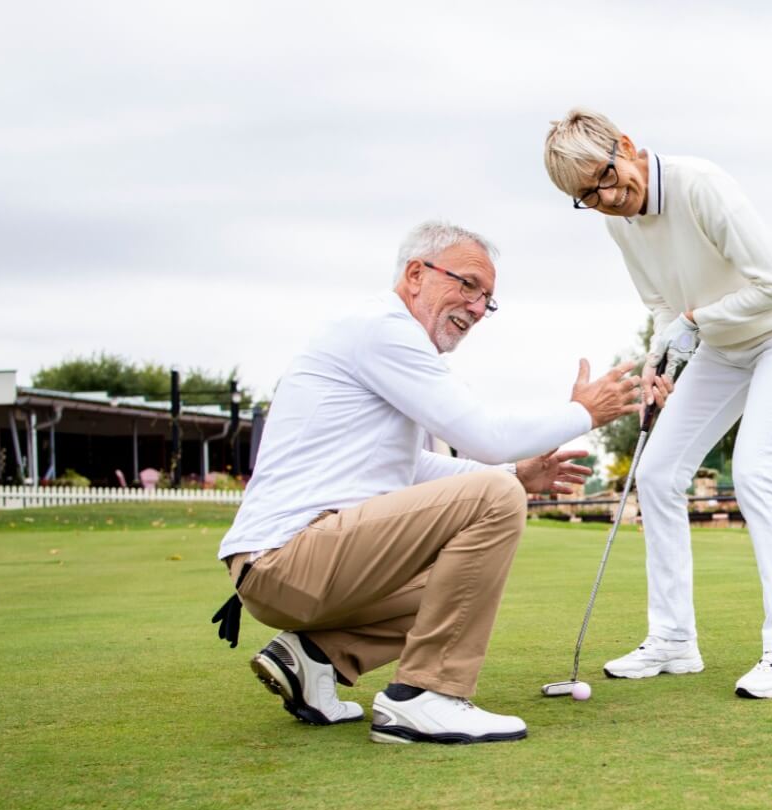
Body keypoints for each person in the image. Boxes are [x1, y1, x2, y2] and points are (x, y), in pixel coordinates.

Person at [213, 221, 660, 744]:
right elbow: (482, 435)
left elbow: (412, 469)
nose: (476, 308)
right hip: (288, 557)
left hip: (288, 567)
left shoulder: (385, 341)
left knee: (461, 580)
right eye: (468, 284)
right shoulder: (383, 329)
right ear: (416, 274)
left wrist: (520, 472)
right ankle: (427, 696)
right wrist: (581, 413)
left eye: (487, 299)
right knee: (496, 499)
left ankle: (315, 658)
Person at [543, 109, 772, 699]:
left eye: (605, 177)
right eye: (586, 197)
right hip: (721, 347)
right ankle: (673, 639)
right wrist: (660, 360)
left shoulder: (702, 186)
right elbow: (664, 307)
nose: (606, 198)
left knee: (753, 472)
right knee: (658, 472)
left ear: (626, 145)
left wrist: (695, 324)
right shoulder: (617, 222)